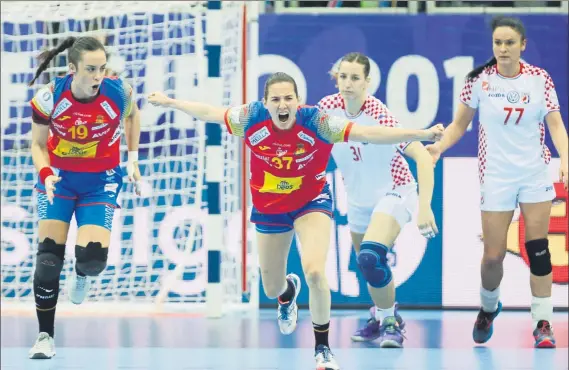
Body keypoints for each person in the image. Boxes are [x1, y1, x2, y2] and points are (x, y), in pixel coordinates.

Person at [148, 73, 443, 369]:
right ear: (266, 103)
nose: (282, 104)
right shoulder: (250, 118)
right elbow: (210, 113)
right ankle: (287, 293)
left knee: (315, 272)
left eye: (288, 98)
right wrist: (171, 102)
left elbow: (369, 134)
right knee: (270, 287)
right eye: (275, 99)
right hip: (269, 206)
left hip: (310, 201)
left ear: (298, 101)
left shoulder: (318, 123)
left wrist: (420, 134)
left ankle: (323, 349)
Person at [426, 16, 568, 348]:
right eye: (497, 43)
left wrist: (566, 160)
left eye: (509, 43)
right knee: (493, 257)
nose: (503, 49)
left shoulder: (539, 80)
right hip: (496, 176)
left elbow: (557, 126)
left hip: (534, 173)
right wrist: (438, 148)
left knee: (539, 250)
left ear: (523, 45)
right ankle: (489, 308)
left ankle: (543, 322)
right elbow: (459, 126)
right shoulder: (478, 81)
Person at [28, 36, 142, 359]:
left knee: (92, 260)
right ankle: (45, 337)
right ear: (72, 68)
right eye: (91, 69)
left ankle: (81, 274)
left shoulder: (118, 93)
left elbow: (133, 116)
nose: (97, 76)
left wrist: (132, 160)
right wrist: (45, 174)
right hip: (59, 181)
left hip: (100, 181)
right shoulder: (50, 98)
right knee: (48, 261)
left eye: (102, 69)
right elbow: (37, 145)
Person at [316, 52, 439, 348]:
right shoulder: (326, 109)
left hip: (395, 190)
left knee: (370, 256)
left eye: (355, 78)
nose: (347, 84)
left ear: (367, 82)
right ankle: (382, 313)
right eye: (343, 77)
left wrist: (424, 207)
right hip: (357, 198)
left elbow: (422, 156)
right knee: (369, 266)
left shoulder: (378, 113)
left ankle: (390, 324)